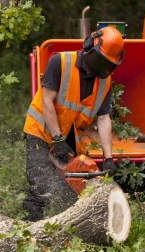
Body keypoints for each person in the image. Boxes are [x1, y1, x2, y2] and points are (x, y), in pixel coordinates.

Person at [22, 26, 124, 221]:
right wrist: (57, 138)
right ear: (88, 46)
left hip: (69, 137)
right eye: (99, 60)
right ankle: (29, 228)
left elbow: (103, 119)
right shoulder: (59, 62)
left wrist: (108, 158)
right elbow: (46, 101)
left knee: (72, 189)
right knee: (40, 184)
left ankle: (65, 230)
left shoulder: (104, 81)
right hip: (41, 131)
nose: (101, 67)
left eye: (108, 64)